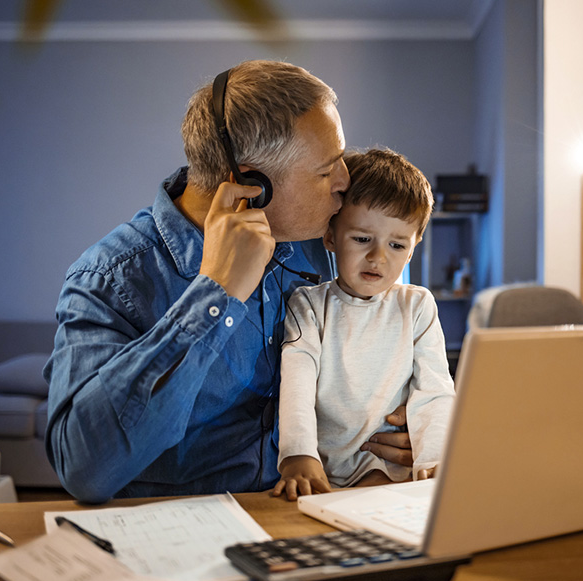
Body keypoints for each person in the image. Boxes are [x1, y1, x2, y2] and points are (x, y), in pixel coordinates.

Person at [43, 60, 413, 503]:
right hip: (181, 527)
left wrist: (405, 416)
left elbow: (370, 340)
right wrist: (215, 292)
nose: (344, 182)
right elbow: (84, 469)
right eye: (325, 170)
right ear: (251, 182)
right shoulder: (110, 276)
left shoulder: (318, 241)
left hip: (313, 506)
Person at [272, 148, 455, 501]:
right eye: (361, 239)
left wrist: (436, 456)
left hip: (399, 479)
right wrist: (298, 455)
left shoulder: (417, 306)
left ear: (412, 249)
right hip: (327, 477)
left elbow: (434, 391)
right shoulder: (309, 305)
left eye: (397, 244)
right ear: (330, 237)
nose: (378, 257)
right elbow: (297, 384)